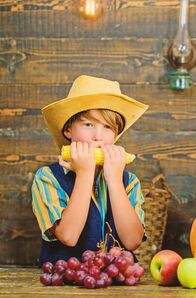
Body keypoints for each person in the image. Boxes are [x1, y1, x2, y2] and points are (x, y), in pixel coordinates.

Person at [31, 75, 149, 266]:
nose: (98, 137)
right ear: (68, 130)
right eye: (88, 124)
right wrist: (84, 174)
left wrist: (114, 181)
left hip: (116, 286)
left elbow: (132, 241)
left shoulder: (129, 181)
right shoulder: (47, 178)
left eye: (108, 127)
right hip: (66, 285)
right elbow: (68, 236)